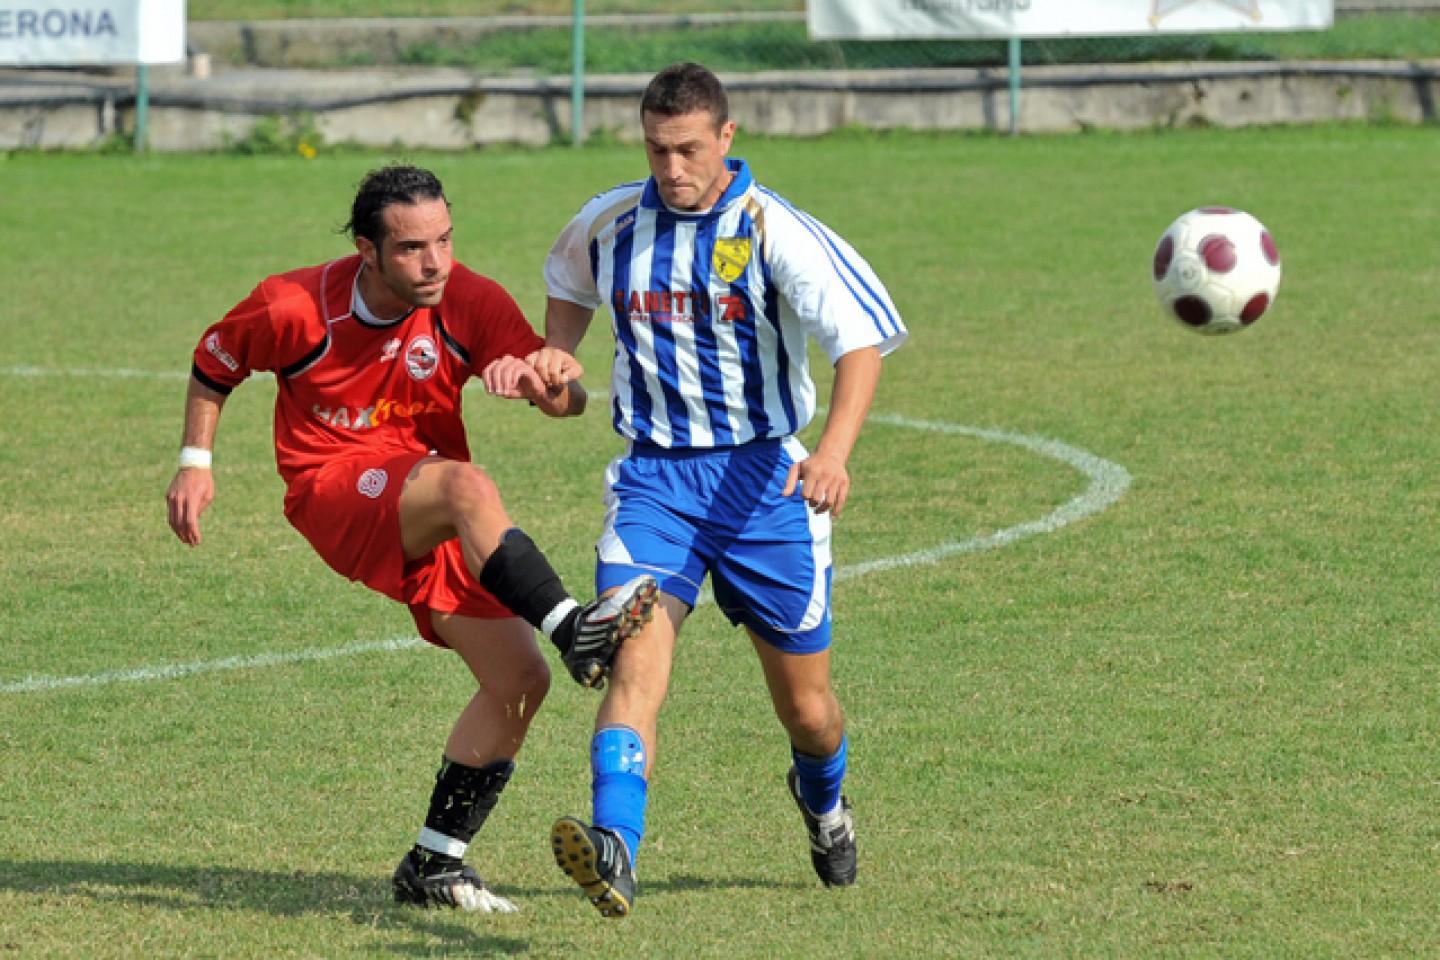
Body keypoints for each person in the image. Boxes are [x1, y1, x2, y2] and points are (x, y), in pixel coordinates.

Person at [164, 164, 659, 914]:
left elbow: (567, 402)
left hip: (425, 501)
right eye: (411, 249)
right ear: (367, 249)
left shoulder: (470, 299)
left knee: (520, 682)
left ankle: (435, 863)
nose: (435, 263)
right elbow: (214, 364)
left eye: (445, 240)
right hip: (334, 486)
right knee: (467, 484)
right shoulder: (293, 305)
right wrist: (195, 463)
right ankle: (573, 627)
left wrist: (545, 378)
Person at [535, 63, 907, 918]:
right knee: (635, 664)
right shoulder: (612, 221)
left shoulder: (775, 228)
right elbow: (566, 285)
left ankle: (823, 804)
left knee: (809, 712)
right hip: (655, 484)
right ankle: (615, 847)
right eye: (657, 149)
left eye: (689, 149)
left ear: (727, 138)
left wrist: (836, 455)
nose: (672, 168)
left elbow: (858, 346)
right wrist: (559, 357)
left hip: (766, 485)